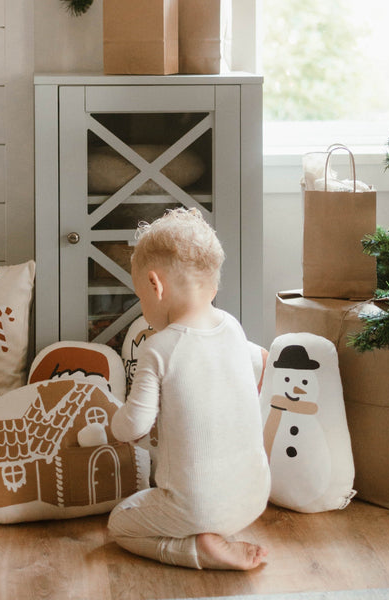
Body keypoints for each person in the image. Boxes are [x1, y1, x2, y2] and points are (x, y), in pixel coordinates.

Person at [107, 207, 271, 570]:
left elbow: (132, 427)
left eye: (141, 297)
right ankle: (214, 533)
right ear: (213, 285)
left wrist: (112, 422)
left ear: (155, 285)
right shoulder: (232, 327)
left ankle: (198, 550)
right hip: (254, 497)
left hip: (198, 506)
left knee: (120, 523)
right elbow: (257, 362)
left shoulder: (159, 348)